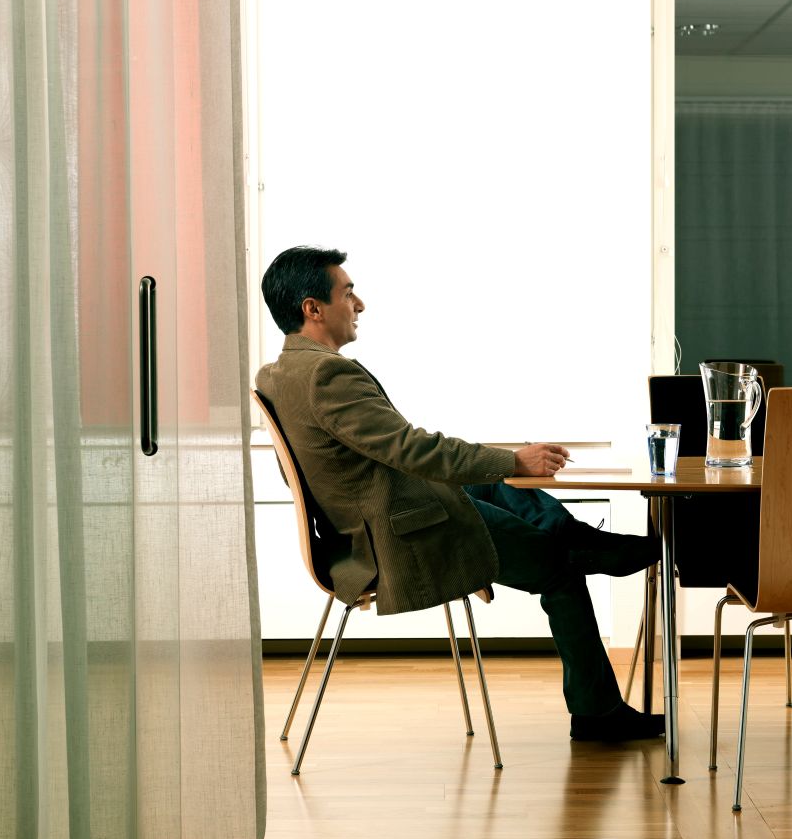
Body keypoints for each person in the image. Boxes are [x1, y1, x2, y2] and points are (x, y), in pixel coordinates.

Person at [255, 245, 664, 741]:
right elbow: (410, 448)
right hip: (401, 535)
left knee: (489, 478)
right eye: (347, 292)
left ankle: (585, 541)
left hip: (368, 522)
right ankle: (597, 711)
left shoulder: (277, 374)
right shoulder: (327, 374)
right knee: (561, 569)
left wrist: (502, 463)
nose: (359, 303)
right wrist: (516, 458)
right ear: (312, 308)